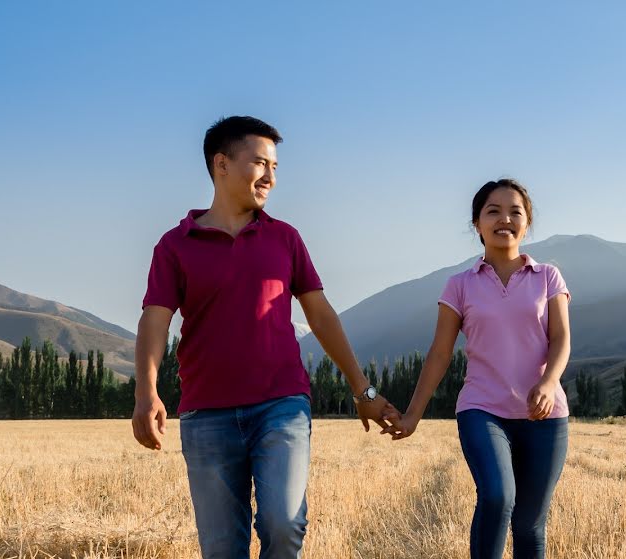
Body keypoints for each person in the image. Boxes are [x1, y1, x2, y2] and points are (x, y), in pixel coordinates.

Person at [131, 115, 397, 558]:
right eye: (260, 164)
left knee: (284, 523)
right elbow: (154, 321)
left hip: (281, 404)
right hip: (205, 413)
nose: (271, 177)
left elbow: (321, 316)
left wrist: (362, 388)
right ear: (221, 163)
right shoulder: (175, 245)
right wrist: (147, 392)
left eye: (275, 167)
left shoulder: (285, 238)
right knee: (221, 549)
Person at [383, 179, 571, 559]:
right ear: (477, 224)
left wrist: (550, 382)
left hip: (545, 416)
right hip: (482, 410)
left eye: (515, 211)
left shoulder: (548, 276)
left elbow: (561, 339)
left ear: (527, 223)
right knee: (498, 496)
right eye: (493, 211)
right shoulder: (459, 285)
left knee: (530, 525)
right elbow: (439, 353)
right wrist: (413, 415)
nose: (505, 218)